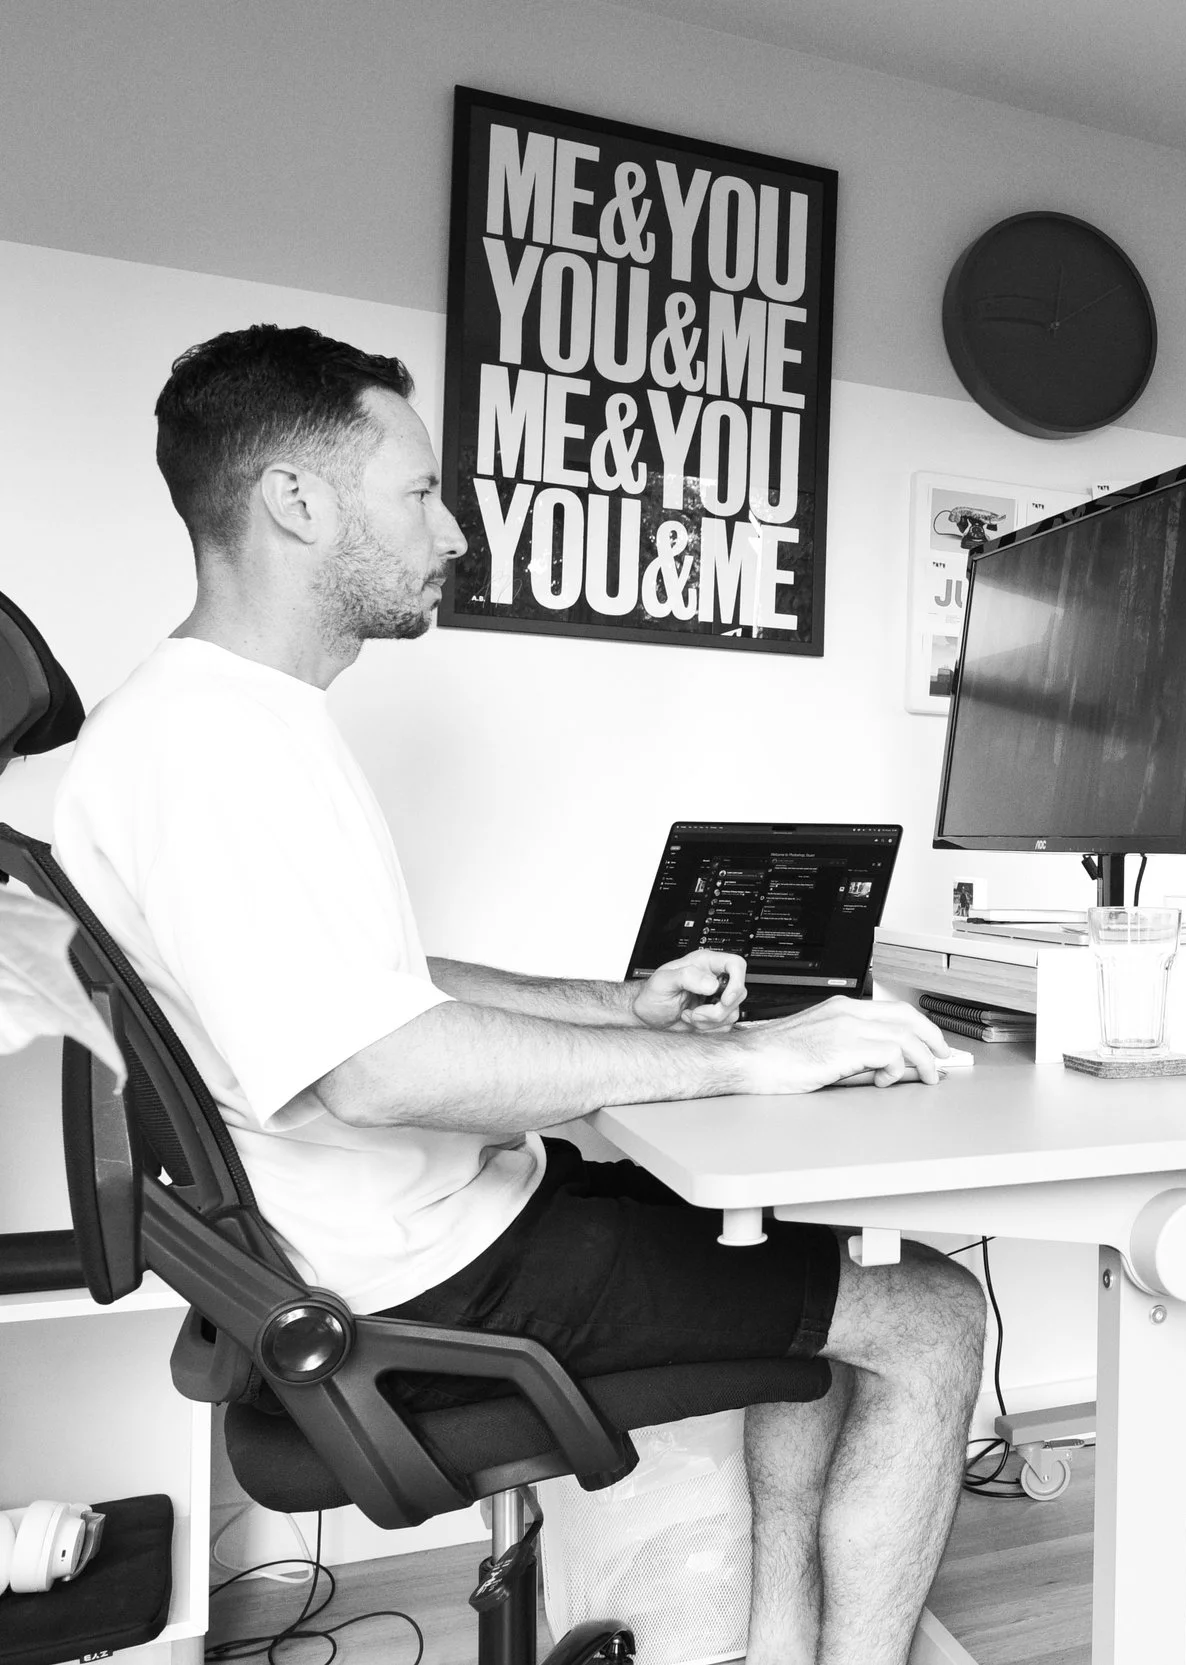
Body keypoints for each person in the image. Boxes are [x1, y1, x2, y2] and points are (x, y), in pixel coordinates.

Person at [51, 325, 982, 1665]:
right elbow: (379, 1066)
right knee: (934, 1311)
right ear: (297, 501)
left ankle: (786, 1642)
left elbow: (380, 983)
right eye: (420, 491)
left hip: (422, 1231)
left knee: (802, 1226)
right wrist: (751, 1062)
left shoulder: (219, 723)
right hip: (432, 1282)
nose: (451, 530)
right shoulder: (209, 750)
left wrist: (625, 1008)